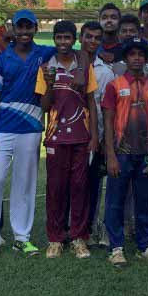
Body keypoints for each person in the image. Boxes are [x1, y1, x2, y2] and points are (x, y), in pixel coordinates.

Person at [0, 9, 55, 262]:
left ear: (35, 29)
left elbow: (70, 51)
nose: (24, 32)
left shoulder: (44, 53)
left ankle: (22, 237)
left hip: (30, 129)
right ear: (13, 29)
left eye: (28, 27)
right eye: (20, 27)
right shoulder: (1, 60)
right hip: (2, 129)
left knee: (25, 184)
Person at [101, 37, 148, 267]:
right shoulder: (114, 85)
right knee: (115, 201)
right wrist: (110, 155)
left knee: (145, 199)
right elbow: (108, 121)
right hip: (121, 153)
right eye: (132, 54)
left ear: (145, 58)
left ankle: (145, 245)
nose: (136, 58)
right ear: (125, 58)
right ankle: (116, 247)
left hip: (146, 154)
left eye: (140, 54)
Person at [36, 20, 98, 259]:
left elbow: (91, 102)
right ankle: (55, 238)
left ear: (74, 40)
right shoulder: (45, 67)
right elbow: (44, 106)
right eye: (59, 38)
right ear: (54, 39)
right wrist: (49, 85)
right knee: (55, 189)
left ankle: (79, 237)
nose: (63, 42)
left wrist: (94, 136)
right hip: (55, 137)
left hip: (81, 137)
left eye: (67, 38)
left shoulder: (84, 67)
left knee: (80, 187)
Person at [79, 21, 116, 247]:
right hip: (70, 135)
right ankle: (72, 227)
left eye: (96, 38)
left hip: (96, 137)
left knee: (93, 185)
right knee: (73, 183)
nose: (92, 41)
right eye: (88, 36)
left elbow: (107, 110)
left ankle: (91, 227)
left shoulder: (105, 72)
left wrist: (102, 139)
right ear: (80, 37)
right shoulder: (68, 64)